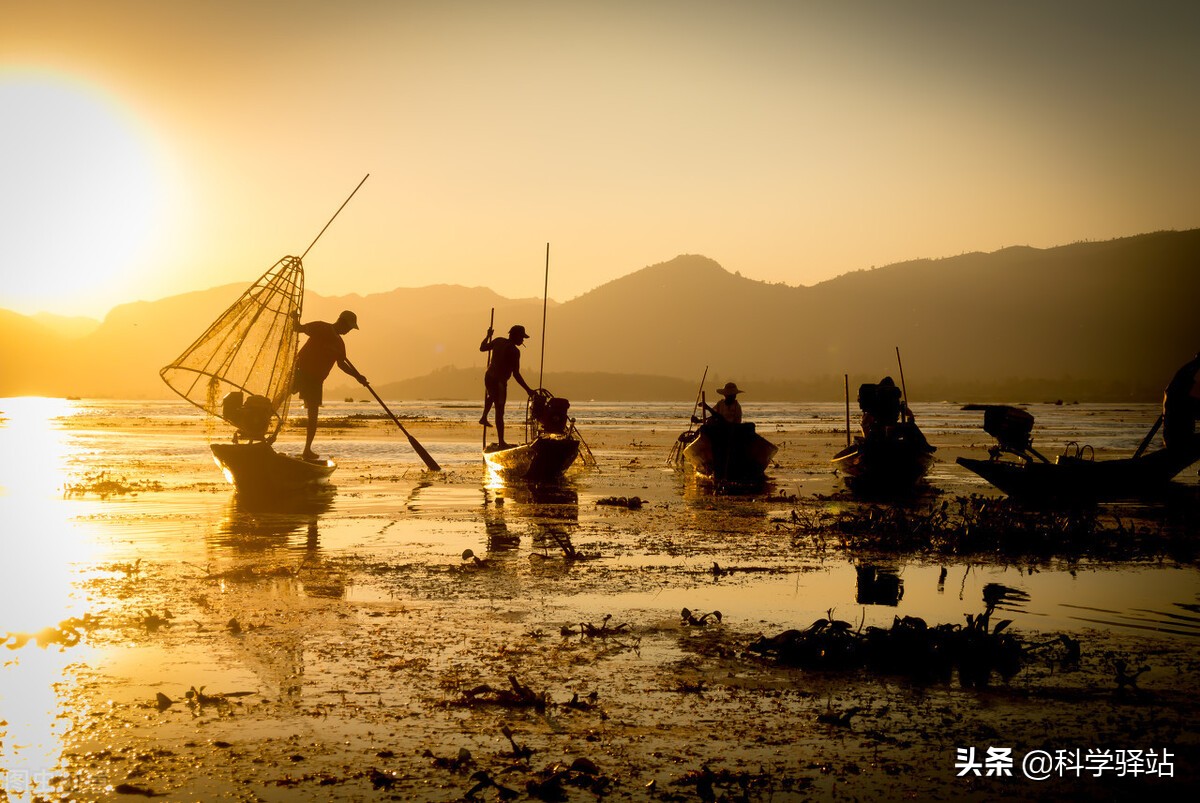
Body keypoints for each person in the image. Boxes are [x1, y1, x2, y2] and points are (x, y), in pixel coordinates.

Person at [292, 310, 367, 460]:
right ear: (341, 322)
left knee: (313, 415)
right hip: (300, 372)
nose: (348, 331)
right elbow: (298, 328)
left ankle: (307, 450)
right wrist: (294, 317)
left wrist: (358, 377)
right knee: (280, 396)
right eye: (349, 327)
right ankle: (259, 425)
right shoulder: (321, 327)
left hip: (316, 380)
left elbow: (342, 364)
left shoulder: (339, 344)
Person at [480, 324, 535, 448]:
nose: (522, 340)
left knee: (492, 396)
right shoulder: (514, 351)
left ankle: (484, 417)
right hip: (499, 381)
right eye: (521, 337)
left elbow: (482, 347)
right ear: (514, 336)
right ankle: (501, 442)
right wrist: (528, 390)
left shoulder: (498, 340)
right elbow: (516, 374)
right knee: (500, 411)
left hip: (488, 377)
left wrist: (488, 336)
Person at [1163, 351, 1200, 450]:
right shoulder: (1180, 399)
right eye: (1190, 384)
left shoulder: (1172, 393)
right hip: (1179, 442)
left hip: (1173, 440)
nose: (1191, 386)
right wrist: (1197, 362)